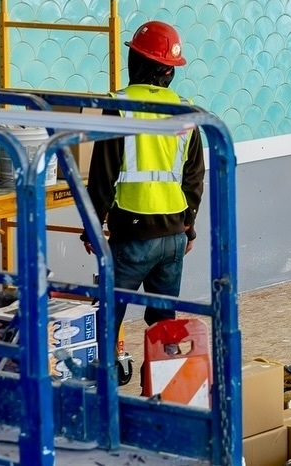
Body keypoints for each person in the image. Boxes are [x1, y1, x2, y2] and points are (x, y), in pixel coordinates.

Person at [85, 20, 206, 344]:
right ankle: (163, 388)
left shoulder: (121, 107)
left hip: (132, 236)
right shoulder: (185, 111)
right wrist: (188, 227)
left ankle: (105, 391)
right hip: (173, 238)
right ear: (170, 72)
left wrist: (92, 227)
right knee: (164, 324)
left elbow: (103, 175)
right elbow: (194, 178)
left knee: (107, 320)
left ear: (135, 62)